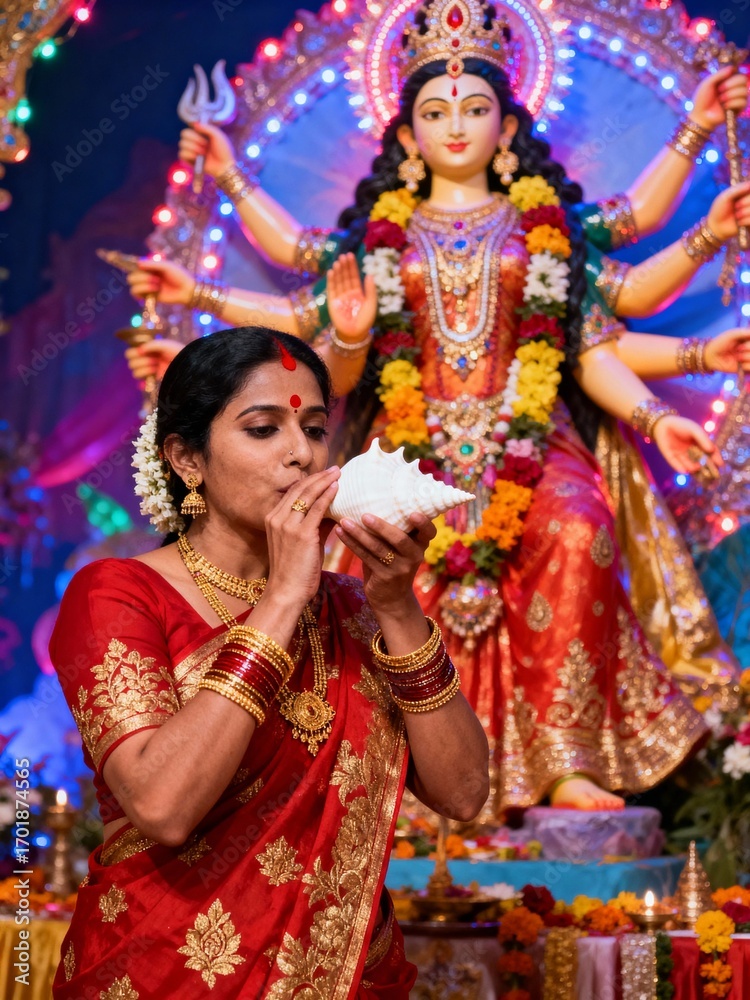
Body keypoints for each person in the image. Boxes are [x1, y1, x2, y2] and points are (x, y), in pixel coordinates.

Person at [123, 0, 750, 812]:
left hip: (532, 441)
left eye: (475, 107)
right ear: (408, 135)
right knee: (362, 544)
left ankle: (568, 761)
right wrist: (225, 196)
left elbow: (597, 336)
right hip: (407, 447)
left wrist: (658, 416)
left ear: (508, 125)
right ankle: (390, 767)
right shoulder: (380, 242)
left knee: (577, 528)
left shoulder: (544, 231)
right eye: (434, 111)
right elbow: (304, 301)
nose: (456, 125)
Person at [50, 327, 489, 998]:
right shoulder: (117, 594)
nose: (300, 455)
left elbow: (462, 794)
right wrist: (283, 597)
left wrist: (398, 607)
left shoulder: (357, 606)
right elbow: (163, 806)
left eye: (314, 429)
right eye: (263, 430)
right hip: (164, 973)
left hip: (345, 976)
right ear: (186, 459)